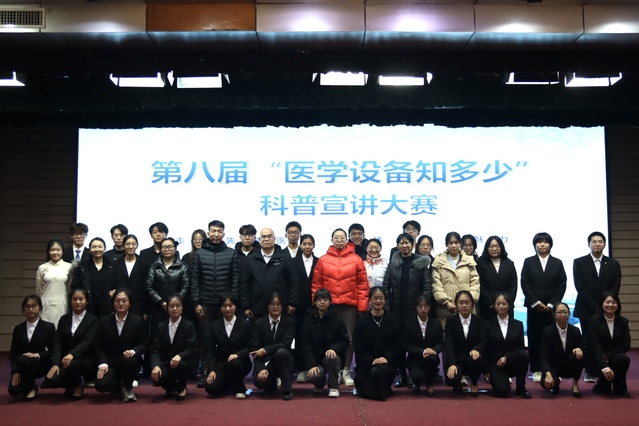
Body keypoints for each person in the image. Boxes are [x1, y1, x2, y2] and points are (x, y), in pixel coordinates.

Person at [311, 228, 369, 386]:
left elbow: (362, 285)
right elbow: (316, 285)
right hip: (328, 306)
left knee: (349, 339)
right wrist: (316, 305)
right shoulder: (323, 260)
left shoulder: (356, 259)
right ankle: (333, 370)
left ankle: (346, 370)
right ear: (331, 240)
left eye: (342, 237)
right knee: (330, 338)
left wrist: (362, 307)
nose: (339, 240)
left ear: (346, 239)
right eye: (336, 237)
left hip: (349, 306)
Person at [190, 220, 240, 387]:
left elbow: (235, 280)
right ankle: (205, 370)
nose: (216, 234)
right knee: (205, 338)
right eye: (213, 231)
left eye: (219, 231)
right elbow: (195, 280)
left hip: (225, 305)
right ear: (208, 233)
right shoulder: (200, 254)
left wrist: (233, 303)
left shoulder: (231, 253)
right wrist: (196, 302)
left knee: (227, 338)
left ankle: (226, 370)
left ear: (224, 234)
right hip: (205, 303)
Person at [383, 233, 431, 387]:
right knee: (398, 344)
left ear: (413, 245)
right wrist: (387, 308)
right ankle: (402, 374)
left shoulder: (421, 263)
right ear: (397, 246)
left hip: (414, 310)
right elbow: (385, 287)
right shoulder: (393, 264)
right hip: (396, 310)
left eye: (407, 243)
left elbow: (427, 288)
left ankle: (414, 374)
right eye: (401, 243)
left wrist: (422, 307)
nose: (404, 246)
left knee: (414, 343)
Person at [573, 232, 622, 382]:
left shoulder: (613, 263)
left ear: (605, 244)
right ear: (589, 244)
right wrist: (595, 306)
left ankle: (606, 367)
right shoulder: (579, 262)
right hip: (586, 308)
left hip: (608, 309)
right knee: (588, 340)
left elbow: (615, 285)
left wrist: (606, 304)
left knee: (605, 340)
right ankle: (588, 370)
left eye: (600, 241)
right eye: (594, 242)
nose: (597, 244)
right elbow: (580, 286)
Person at [520, 232, 567, 383]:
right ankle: (536, 369)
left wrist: (552, 304)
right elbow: (524, 283)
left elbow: (562, 284)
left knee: (552, 338)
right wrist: (535, 302)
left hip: (552, 309)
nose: (542, 244)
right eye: (539, 242)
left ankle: (553, 369)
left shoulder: (557, 263)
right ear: (535, 245)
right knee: (534, 338)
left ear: (550, 245)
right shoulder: (528, 262)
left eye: (545, 242)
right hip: (534, 308)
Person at [95, 288, 149, 402]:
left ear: (130, 303)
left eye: (124, 301)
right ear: (113, 302)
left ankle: (128, 388)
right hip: (111, 362)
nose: (120, 303)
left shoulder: (137, 321)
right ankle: (119, 384)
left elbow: (144, 344)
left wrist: (133, 351)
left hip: (130, 362)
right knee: (101, 385)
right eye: (117, 300)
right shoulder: (104, 321)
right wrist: (102, 363)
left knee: (127, 361)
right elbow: (98, 346)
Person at [45, 287, 99, 401]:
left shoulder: (93, 320)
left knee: (73, 364)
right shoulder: (64, 319)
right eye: (75, 299)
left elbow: (87, 341)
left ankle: (78, 385)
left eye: (81, 299)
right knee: (51, 380)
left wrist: (72, 354)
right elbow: (58, 342)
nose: (78, 302)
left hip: (85, 358)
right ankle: (71, 383)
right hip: (65, 359)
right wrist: (55, 363)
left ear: (86, 301)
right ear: (70, 301)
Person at [353, 287, 402, 401]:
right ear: (370, 300)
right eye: (375, 298)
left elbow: (398, 345)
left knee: (380, 371)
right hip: (366, 366)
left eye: (381, 298)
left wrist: (387, 358)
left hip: (386, 364)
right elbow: (358, 346)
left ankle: (382, 390)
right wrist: (371, 360)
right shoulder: (362, 321)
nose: (378, 301)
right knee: (364, 385)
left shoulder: (392, 320)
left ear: (385, 300)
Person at [240, 227, 299, 320]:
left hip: (280, 306)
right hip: (257, 307)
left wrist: (292, 303)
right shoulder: (251, 259)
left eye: (269, 236)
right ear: (259, 239)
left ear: (274, 239)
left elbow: (293, 280)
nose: (266, 239)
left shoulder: (284, 258)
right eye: (263, 237)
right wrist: (246, 306)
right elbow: (245, 283)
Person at [301, 288, 349, 398]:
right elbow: (305, 345)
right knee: (313, 375)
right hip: (316, 360)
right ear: (315, 302)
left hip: (333, 359)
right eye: (319, 299)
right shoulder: (308, 320)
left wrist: (334, 349)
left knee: (331, 357)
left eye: (325, 299)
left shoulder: (337, 319)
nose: (322, 302)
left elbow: (344, 340)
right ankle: (319, 383)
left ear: (330, 302)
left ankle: (333, 386)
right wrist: (311, 365)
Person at [8, 295, 56, 401]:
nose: (30, 309)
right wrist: (15, 371)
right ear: (23, 309)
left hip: (41, 363)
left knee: (25, 359)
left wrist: (37, 355)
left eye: (34, 306)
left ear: (40, 308)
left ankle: (31, 388)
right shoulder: (18, 329)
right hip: (23, 365)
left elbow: (53, 350)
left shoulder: (48, 327)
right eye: (27, 306)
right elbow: (14, 353)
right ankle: (31, 385)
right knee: (14, 391)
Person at [204, 293, 253, 399]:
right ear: (220, 308)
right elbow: (210, 350)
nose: (227, 309)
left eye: (230, 305)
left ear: (235, 306)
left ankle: (239, 388)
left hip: (241, 363)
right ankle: (230, 382)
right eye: (224, 306)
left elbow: (250, 346)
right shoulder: (214, 325)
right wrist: (211, 370)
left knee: (235, 363)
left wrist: (238, 354)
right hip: (222, 364)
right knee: (211, 389)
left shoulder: (245, 324)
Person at [150, 295, 197, 402]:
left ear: (182, 307)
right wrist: (155, 366)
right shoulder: (161, 326)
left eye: (177, 306)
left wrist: (180, 356)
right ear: (167, 308)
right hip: (167, 363)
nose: (174, 309)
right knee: (156, 376)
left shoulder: (189, 325)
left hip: (184, 362)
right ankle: (172, 387)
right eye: (171, 306)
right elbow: (155, 349)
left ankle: (181, 387)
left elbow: (192, 348)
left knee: (181, 365)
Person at [483, 294, 531, 398]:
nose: (501, 306)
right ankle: (501, 381)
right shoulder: (487, 325)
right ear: (494, 306)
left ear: (509, 305)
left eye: (504, 304)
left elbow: (520, 348)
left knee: (523, 355)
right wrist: (486, 371)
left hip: (512, 362)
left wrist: (507, 357)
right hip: (496, 365)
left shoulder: (518, 324)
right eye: (498, 304)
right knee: (502, 392)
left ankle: (521, 387)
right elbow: (486, 349)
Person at [250, 292, 296, 401]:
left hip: (283, 361)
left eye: (278, 304)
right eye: (272, 304)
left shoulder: (290, 322)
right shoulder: (258, 323)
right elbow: (255, 349)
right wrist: (261, 368)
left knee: (282, 352)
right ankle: (271, 384)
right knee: (260, 382)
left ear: (283, 306)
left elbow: (286, 343)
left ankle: (287, 390)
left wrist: (266, 350)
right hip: (265, 362)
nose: (275, 307)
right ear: (267, 306)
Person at [431, 232, 480, 328]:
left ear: (460, 244)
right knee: (447, 334)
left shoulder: (469, 261)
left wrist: (467, 302)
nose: (454, 246)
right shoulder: (438, 262)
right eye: (450, 243)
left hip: (467, 309)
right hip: (446, 309)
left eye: (456, 243)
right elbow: (436, 285)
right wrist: (447, 303)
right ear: (446, 244)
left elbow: (475, 283)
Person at [588, 292, 631, 398]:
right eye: (607, 302)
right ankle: (601, 385)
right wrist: (604, 366)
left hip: (614, 356)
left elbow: (626, 344)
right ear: (602, 304)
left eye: (614, 302)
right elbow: (594, 345)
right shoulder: (593, 321)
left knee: (623, 359)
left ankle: (620, 388)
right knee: (605, 390)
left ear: (618, 305)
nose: (610, 305)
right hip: (596, 357)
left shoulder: (623, 322)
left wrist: (608, 355)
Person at [444, 290, 485, 396]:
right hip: (457, 360)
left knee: (477, 360)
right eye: (461, 302)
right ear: (456, 304)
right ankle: (458, 381)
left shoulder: (479, 321)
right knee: (451, 379)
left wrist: (477, 349)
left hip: (472, 359)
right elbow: (448, 344)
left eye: (467, 302)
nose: (464, 305)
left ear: (472, 304)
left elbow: (483, 341)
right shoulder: (451, 321)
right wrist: (452, 364)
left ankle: (474, 382)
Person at [539, 302, 584, 398]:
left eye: (565, 312)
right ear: (554, 315)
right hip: (554, 365)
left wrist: (580, 349)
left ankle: (575, 384)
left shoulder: (575, 331)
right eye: (559, 312)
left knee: (579, 356)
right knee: (545, 384)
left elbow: (582, 347)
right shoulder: (547, 331)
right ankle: (556, 381)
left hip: (569, 364)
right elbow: (544, 356)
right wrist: (548, 374)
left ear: (569, 314)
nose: (563, 315)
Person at [402, 295, 443, 397]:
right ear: (415, 308)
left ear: (430, 308)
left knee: (431, 359)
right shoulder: (409, 324)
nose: (423, 309)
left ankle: (429, 384)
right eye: (420, 306)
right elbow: (407, 345)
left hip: (431, 357)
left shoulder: (436, 323)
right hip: (415, 359)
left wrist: (433, 351)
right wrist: (423, 351)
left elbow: (441, 343)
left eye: (426, 306)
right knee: (418, 376)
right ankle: (417, 383)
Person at [292, 234, 319, 383]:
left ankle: (313, 368)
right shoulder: (293, 262)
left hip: (316, 305)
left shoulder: (319, 261)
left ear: (314, 245)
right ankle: (301, 369)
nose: (307, 247)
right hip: (299, 305)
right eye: (305, 244)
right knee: (299, 336)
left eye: (310, 244)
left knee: (314, 337)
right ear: (300, 245)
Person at [146, 237, 190, 324]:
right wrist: (161, 302)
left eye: (170, 247)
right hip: (159, 308)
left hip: (177, 308)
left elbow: (186, 286)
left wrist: (175, 302)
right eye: (164, 247)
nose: (167, 249)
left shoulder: (183, 266)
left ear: (175, 249)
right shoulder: (154, 267)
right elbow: (149, 287)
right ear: (160, 249)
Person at [69, 237, 116, 318]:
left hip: (107, 303)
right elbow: (76, 285)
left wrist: (115, 291)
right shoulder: (82, 266)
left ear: (104, 248)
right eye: (94, 247)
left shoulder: (112, 265)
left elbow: (117, 283)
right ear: (90, 249)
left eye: (100, 247)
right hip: (88, 304)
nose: (97, 249)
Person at [476, 236, 518, 321]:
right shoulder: (480, 263)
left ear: (501, 247)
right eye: (491, 246)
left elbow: (513, 284)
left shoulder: (509, 263)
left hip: (506, 307)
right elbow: (480, 285)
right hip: (487, 307)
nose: (494, 249)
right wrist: (491, 303)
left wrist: (507, 303)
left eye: (497, 246)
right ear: (487, 248)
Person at [36, 238, 72, 328]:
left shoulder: (69, 267)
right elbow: (39, 290)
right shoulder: (42, 268)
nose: (55, 252)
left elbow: (70, 288)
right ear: (48, 252)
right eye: (52, 250)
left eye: (58, 250)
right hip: (46, 305)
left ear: (62, 251)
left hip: (63, 304)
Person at [112, 234, 150, 318]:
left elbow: (146, 287)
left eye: (133, 244)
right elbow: (112, 283)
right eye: (128, 244)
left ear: (137, 245)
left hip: (139, 304)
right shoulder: (116, 263)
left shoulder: (144, 263)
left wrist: (146, 310)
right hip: (120, 303)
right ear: (123, 245)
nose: (131, 247)